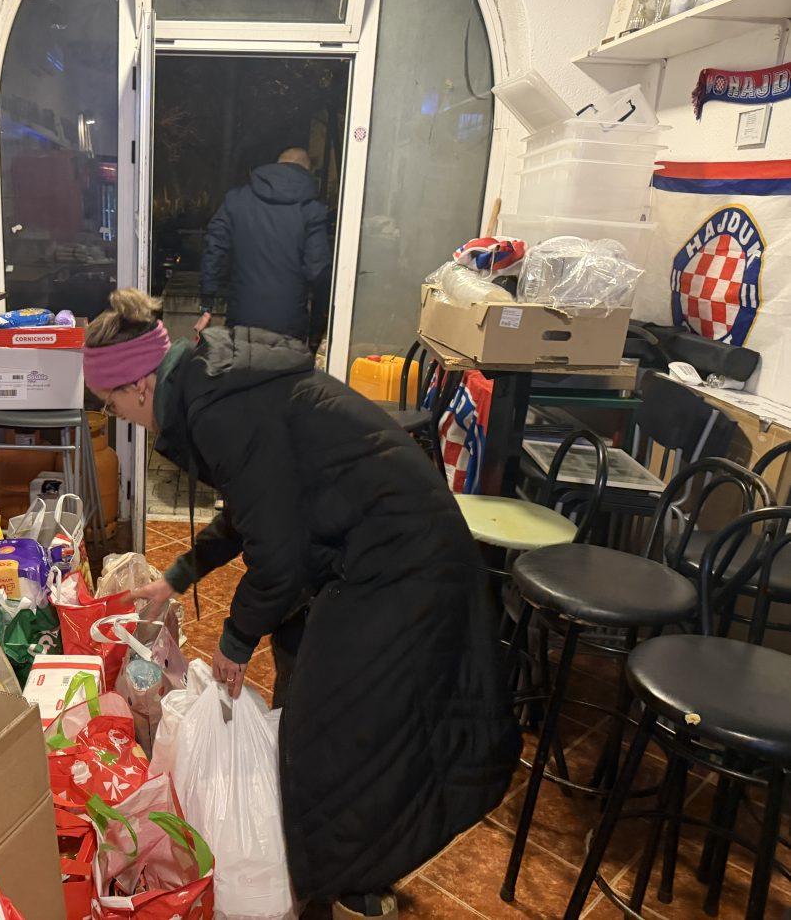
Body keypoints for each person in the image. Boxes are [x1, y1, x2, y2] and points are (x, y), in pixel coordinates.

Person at [84, 288, 519, 919]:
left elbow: (279, 561)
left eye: (111, 402)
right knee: (312, 685)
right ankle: (341, 864)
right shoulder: (211, 383)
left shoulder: (216, 410)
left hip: (403, 553)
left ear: (140, 384)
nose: (117, 414)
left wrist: (236, 641)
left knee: (334, 724)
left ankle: (351, 882)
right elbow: (256, 510)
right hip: (377, 539)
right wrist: (178, 576)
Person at [199, 147, 332, 352]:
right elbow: (319, 271)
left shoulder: (236, 200)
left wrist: (207, 302)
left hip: (241, 317)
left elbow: (214, 248)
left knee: (242, 369)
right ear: (307, 171)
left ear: (277, 165)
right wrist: (317, 327)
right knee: (283, 372)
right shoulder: (311, 209)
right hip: (289, 323)